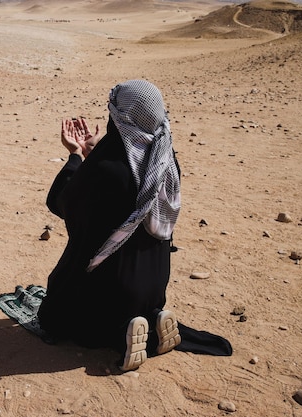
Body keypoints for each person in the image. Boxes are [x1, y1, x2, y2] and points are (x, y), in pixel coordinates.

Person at [36, 79, 182, 372]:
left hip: (113, 288)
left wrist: (77, 156)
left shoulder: (106, 166)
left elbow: (62, 202)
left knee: (52, 316)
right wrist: (94, 155)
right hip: (154, 282)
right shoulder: (166, 159)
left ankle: (122, 332)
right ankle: (153, 317)